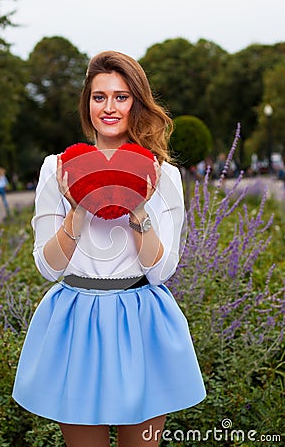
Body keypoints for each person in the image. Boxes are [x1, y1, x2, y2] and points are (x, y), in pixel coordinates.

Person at [12, 51, 206, 447]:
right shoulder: (57, 168)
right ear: (87, 103)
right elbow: (48, 268)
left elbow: (161, 270)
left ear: (137, 101)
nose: (110, 107)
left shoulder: (164, 174)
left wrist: (137, 207)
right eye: (99, 96)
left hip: (142, 322)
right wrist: (79, 208)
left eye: (121, 96)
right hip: (77, 322)